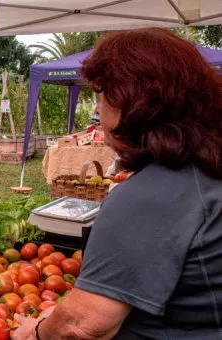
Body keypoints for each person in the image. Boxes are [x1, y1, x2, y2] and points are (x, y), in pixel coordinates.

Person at [13, 28, 222, 340]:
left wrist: (39, 331)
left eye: (101, 94)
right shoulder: (205, 170)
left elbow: (83, 325)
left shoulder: (149, 197)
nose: (96, 109)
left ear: (137, 101)